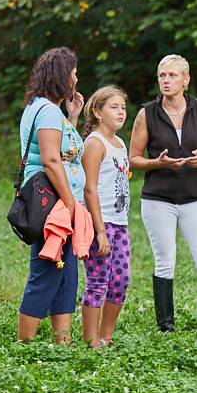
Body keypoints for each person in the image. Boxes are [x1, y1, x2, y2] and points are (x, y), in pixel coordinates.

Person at [129, 54, 197, 335]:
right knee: (165, 261)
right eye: (162, 75)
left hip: (193, 198)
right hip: (158, 199)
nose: (166, 80)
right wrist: (158, 163)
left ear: (186, 80)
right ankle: (166, 328)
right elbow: (133, 158)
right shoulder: (147, 113)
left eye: (172, 75)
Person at [17, 47, 85, 343]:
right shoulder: (45, 110)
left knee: (66, 274)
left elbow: (64, 150)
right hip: (52, 203)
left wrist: (72, 116)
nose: (76, 78)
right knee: (46, 271)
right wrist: (70, 203)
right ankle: (25, 344)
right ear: (60, 76)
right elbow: (51, 160)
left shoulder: (49, 110)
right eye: (73, 72)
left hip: (59, 202)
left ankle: (63, 343)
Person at [80, 86, 131, 347]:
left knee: (120, 281)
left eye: (123, 107)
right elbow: (89, 188)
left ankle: (106, 336)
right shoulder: (95, 144)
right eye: (114, 107)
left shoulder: (120, 143)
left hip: (120, 224)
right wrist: (99, 230)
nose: (121, 112)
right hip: (100, 223)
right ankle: (91, 341)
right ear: (98, 112)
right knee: (98, 281)